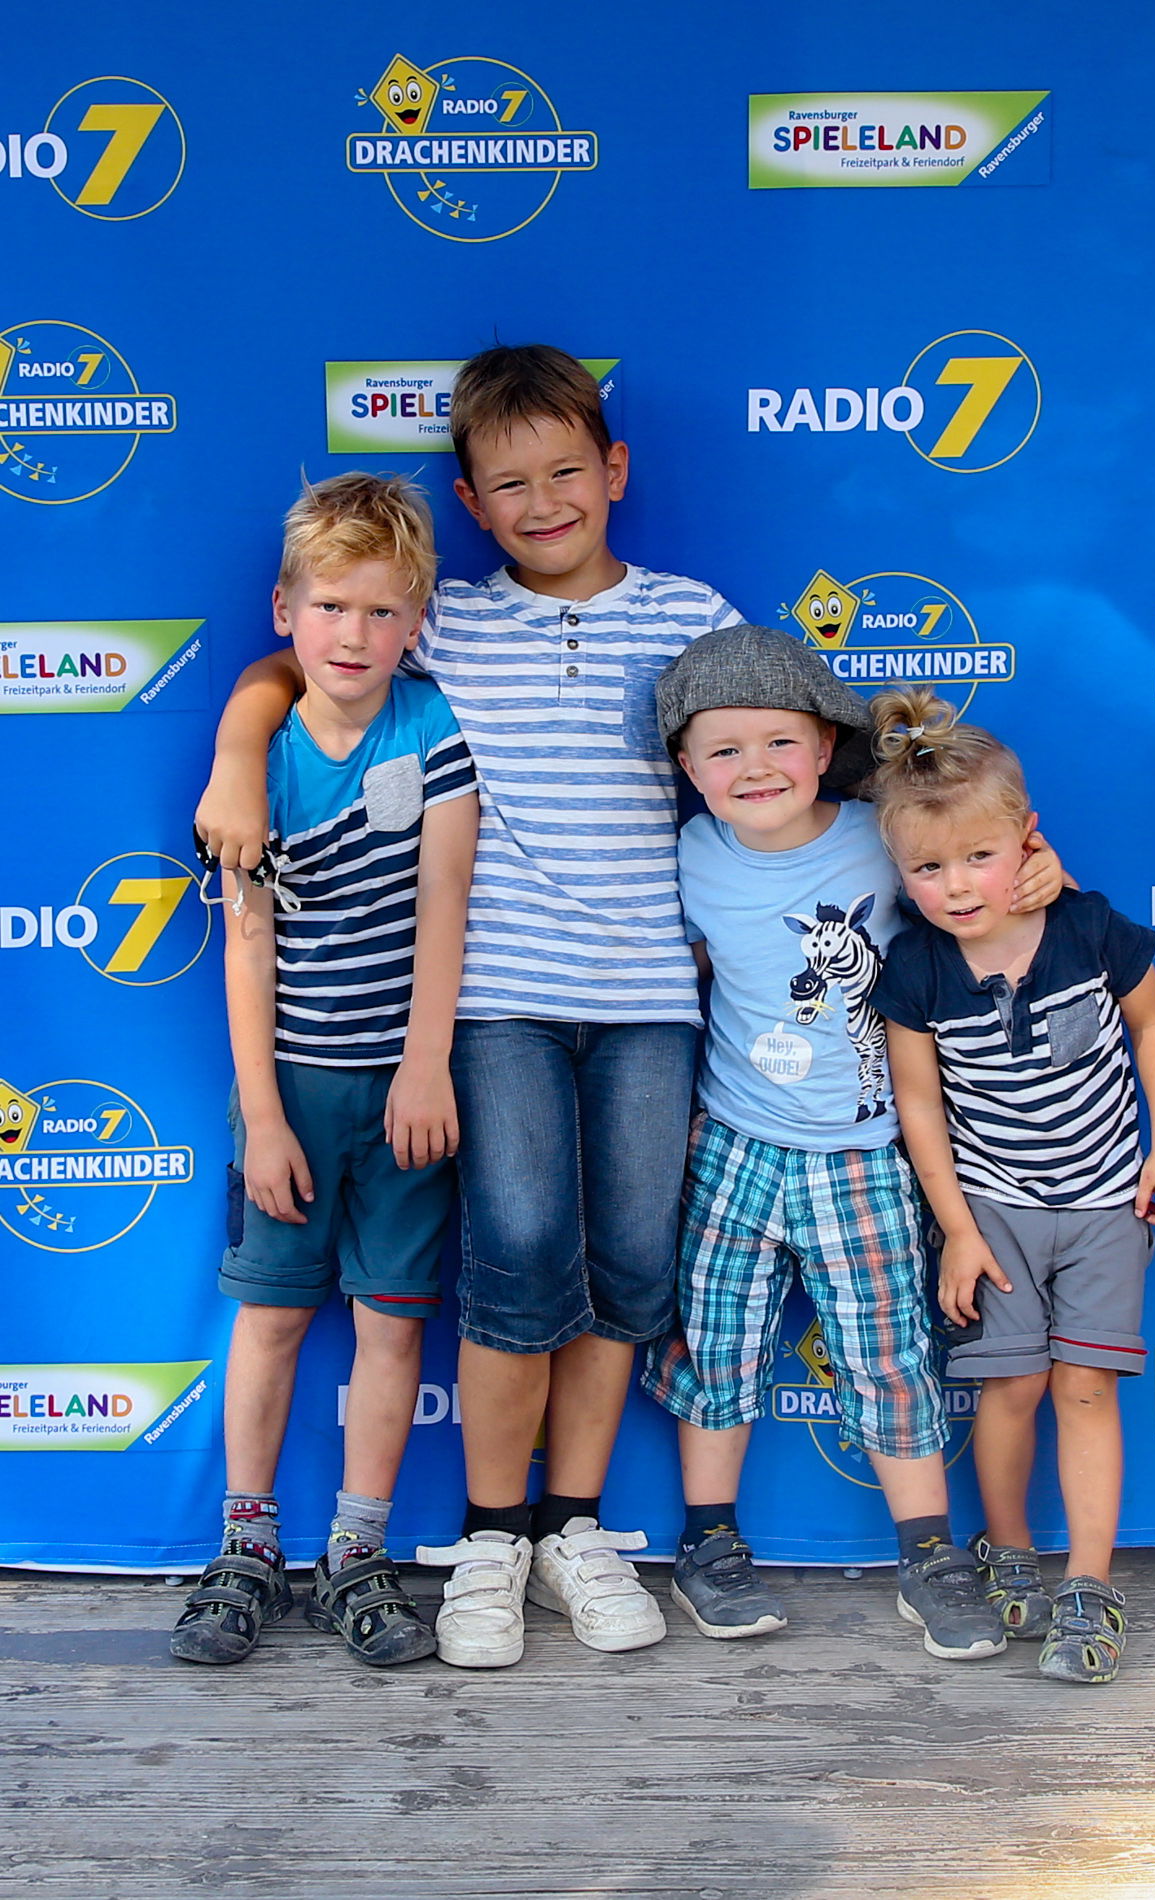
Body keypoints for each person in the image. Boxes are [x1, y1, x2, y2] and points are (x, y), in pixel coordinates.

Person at [193, 345, 739, 1666]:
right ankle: (491, 1534)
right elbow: (302, 660)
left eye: (566, 472)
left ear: (614, 471)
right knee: (517, 1256)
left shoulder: (690, 614)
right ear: (471, 502)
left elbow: (782, 744)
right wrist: (235, 753)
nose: (542, 502)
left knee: (629, 1263)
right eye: (509, 483)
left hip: (647, 1000)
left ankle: (572, 1526)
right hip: (494, 1002)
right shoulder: (443, 620)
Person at [640, 627, 1064, 1659]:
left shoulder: (882, 833)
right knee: (717, 1347)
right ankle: (708, 1541)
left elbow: (977, 864)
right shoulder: (688, 854)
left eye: (779, 743)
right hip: (735, 1141)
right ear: (687, 768)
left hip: (865, 1148)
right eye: (723, 750)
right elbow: (685, 974)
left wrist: (1041, 871)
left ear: (826, 747)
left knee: (887, 1356)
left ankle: (928, 1554)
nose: (755, 769)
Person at [171, 473, 478, 1667]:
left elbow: (445, 904)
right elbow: (247, 944)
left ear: (416, 621)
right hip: (291, 1086)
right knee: (272, 1316)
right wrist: (262, 1115)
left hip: (404, 1089)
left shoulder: (432, 727)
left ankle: (357, 1550)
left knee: (393, 1324)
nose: (355, 634)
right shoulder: (261, 763)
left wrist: (425, 1063)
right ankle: (245, 1544)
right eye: (332, 607)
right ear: (284, 613)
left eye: (384, 611)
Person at [865, 686, 1155, 1684]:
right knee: (1009, 1389)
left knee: (1085, 1389)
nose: (956, 885)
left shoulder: (1086, 927)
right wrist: (957, 1230)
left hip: (1103, 1206)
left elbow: (1153, 1024)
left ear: (1027, 840)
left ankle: (1089, 1581)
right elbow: (918, 1107)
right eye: (927, 867)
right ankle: (1006, 1548)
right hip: (994, 1212)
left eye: (977, 855)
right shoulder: (913, 968)